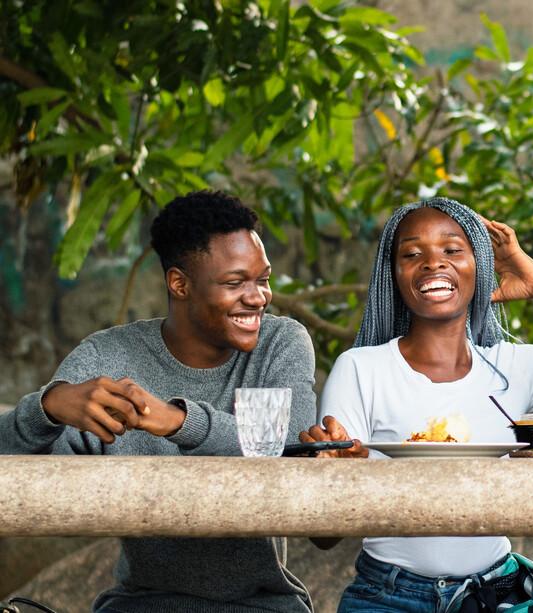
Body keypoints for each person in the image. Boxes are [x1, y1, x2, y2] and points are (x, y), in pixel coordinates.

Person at [301, 196, 533, 613]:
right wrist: (338, 480)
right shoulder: (362, 369)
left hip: (496, 596)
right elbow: (323, 537)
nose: (432, 263)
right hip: (390, 596)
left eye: (452, 249)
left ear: (478, 265)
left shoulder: (512, 367)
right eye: (412, 253)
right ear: (393, 275)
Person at [0, 190, 317, 612]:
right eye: (235, 282)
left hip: (264, 605)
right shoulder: (109, 357)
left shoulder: (281, 343)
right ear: (179, 283)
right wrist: (47, 408)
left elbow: (293, 451)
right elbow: (22, 462)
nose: (258, 296)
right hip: (141, 603)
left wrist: (179, 421)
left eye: (263, 279)